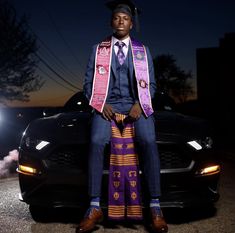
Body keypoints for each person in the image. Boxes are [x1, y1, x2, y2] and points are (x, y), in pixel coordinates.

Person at [77, 0, 168, 232]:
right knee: (97, 141)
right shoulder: (98, 50)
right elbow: (88, 84)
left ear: (130, 23)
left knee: (148, 141)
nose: (121, 21)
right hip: (106, 105)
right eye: (117, 17)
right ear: (111, 22)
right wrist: (101, 103)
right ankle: (94, 206)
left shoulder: (142, 51)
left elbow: (153, 84)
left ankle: (156, 206)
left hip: (135, 105)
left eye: (125, 18)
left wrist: (140, 103)